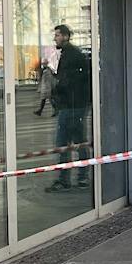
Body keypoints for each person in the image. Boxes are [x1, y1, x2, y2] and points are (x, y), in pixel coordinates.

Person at [46, 24, 93, 191]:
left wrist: (56, 86)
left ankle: (69, 179)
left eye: (57, 35)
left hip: (72, 105)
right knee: (76, 142)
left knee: (66, 143)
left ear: (65, 36)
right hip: (74, 104)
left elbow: (69, 81)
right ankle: (80, 178)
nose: (55, 38)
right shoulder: (69, 54)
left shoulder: (71, 55)